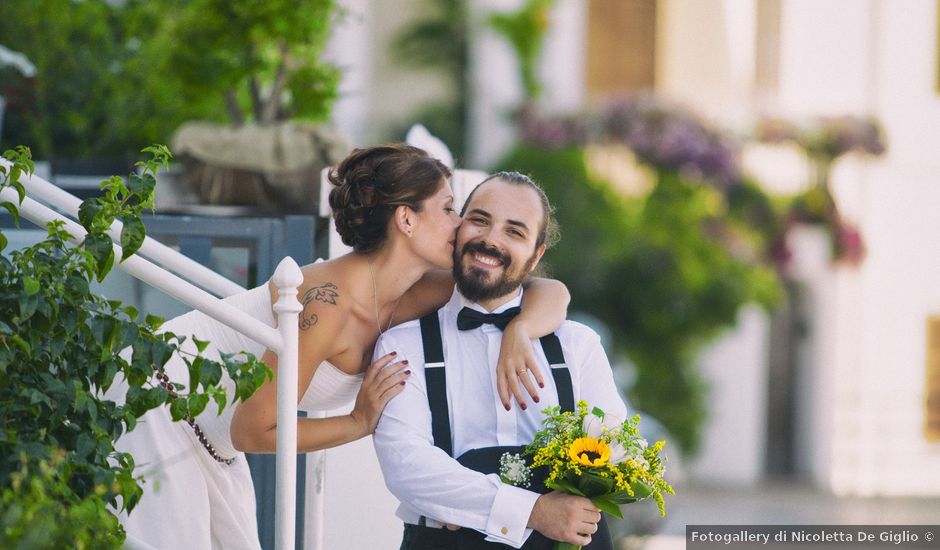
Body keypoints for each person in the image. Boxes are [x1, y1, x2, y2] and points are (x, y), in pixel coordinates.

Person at [115, 146, 571, 550]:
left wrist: (520, 331)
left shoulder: (422, 289)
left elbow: (548, 290)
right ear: (406, 218)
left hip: (210, 429)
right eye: (450, 208)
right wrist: (357, 422)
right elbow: (253, 431)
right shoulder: (325, 300)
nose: (459, 225)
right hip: (159, 398)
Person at [372, 171, 628, 549]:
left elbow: (614, 448)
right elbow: (408, 466)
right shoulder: (402, 344)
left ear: (536, 253)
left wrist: (465, 503)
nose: (490, 240)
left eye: (515, 231)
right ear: (458, 227)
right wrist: (533, 511)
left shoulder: (578, 345)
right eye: (480, 220)